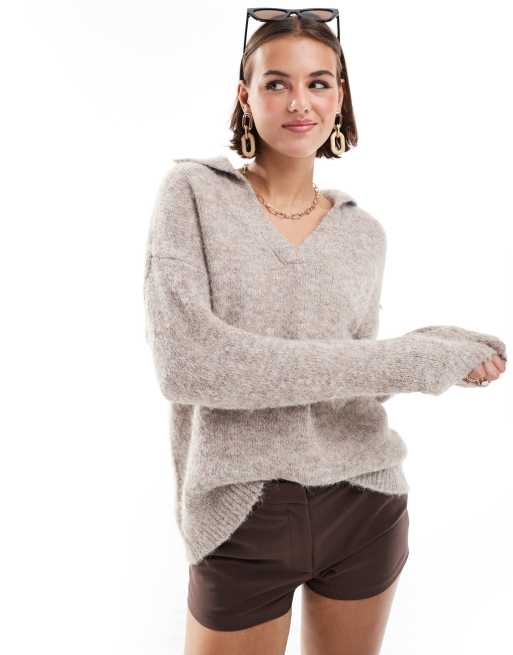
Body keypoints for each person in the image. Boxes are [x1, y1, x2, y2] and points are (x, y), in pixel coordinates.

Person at [143, 10, 507, 655]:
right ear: (245, 96)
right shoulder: (193, 193)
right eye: (276, 83)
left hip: (366, 497)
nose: (299, 102)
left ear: (340, 96)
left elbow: (350, 374)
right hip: (241, 508)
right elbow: (191, 364)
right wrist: (410, 360)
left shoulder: (363, 232)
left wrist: (433, 346)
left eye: (318, 83)